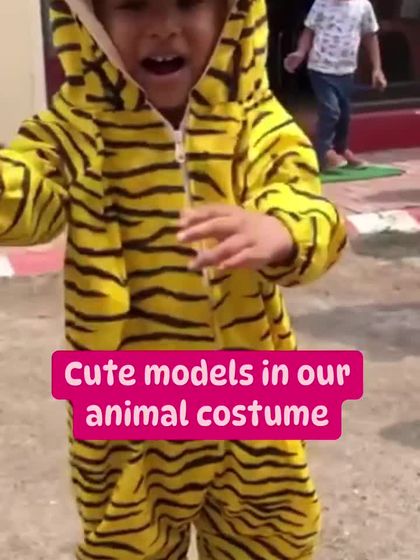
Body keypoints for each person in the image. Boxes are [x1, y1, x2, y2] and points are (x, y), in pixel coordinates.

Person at [0, 0, 347, 558]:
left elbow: (307, 202)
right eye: (133, 5)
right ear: (92, 19)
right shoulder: (76, 127)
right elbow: (28, 187)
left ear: (231, 11)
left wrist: (284, 227)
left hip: (252, 395)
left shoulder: (253, 120)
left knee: (270, 538)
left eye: (187, 2)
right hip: (126, 409)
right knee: (127, 543)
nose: (163, 26)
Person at [285, 0, 387, 171]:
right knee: (331, 110)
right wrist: (301, 52)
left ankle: (342, 149)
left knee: (344, 114)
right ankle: (324, 151)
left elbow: (370, 36)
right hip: (321, 68)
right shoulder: (321, 4)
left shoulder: (363, 6)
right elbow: (309, 30)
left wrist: (377, 68)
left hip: (346, 70)